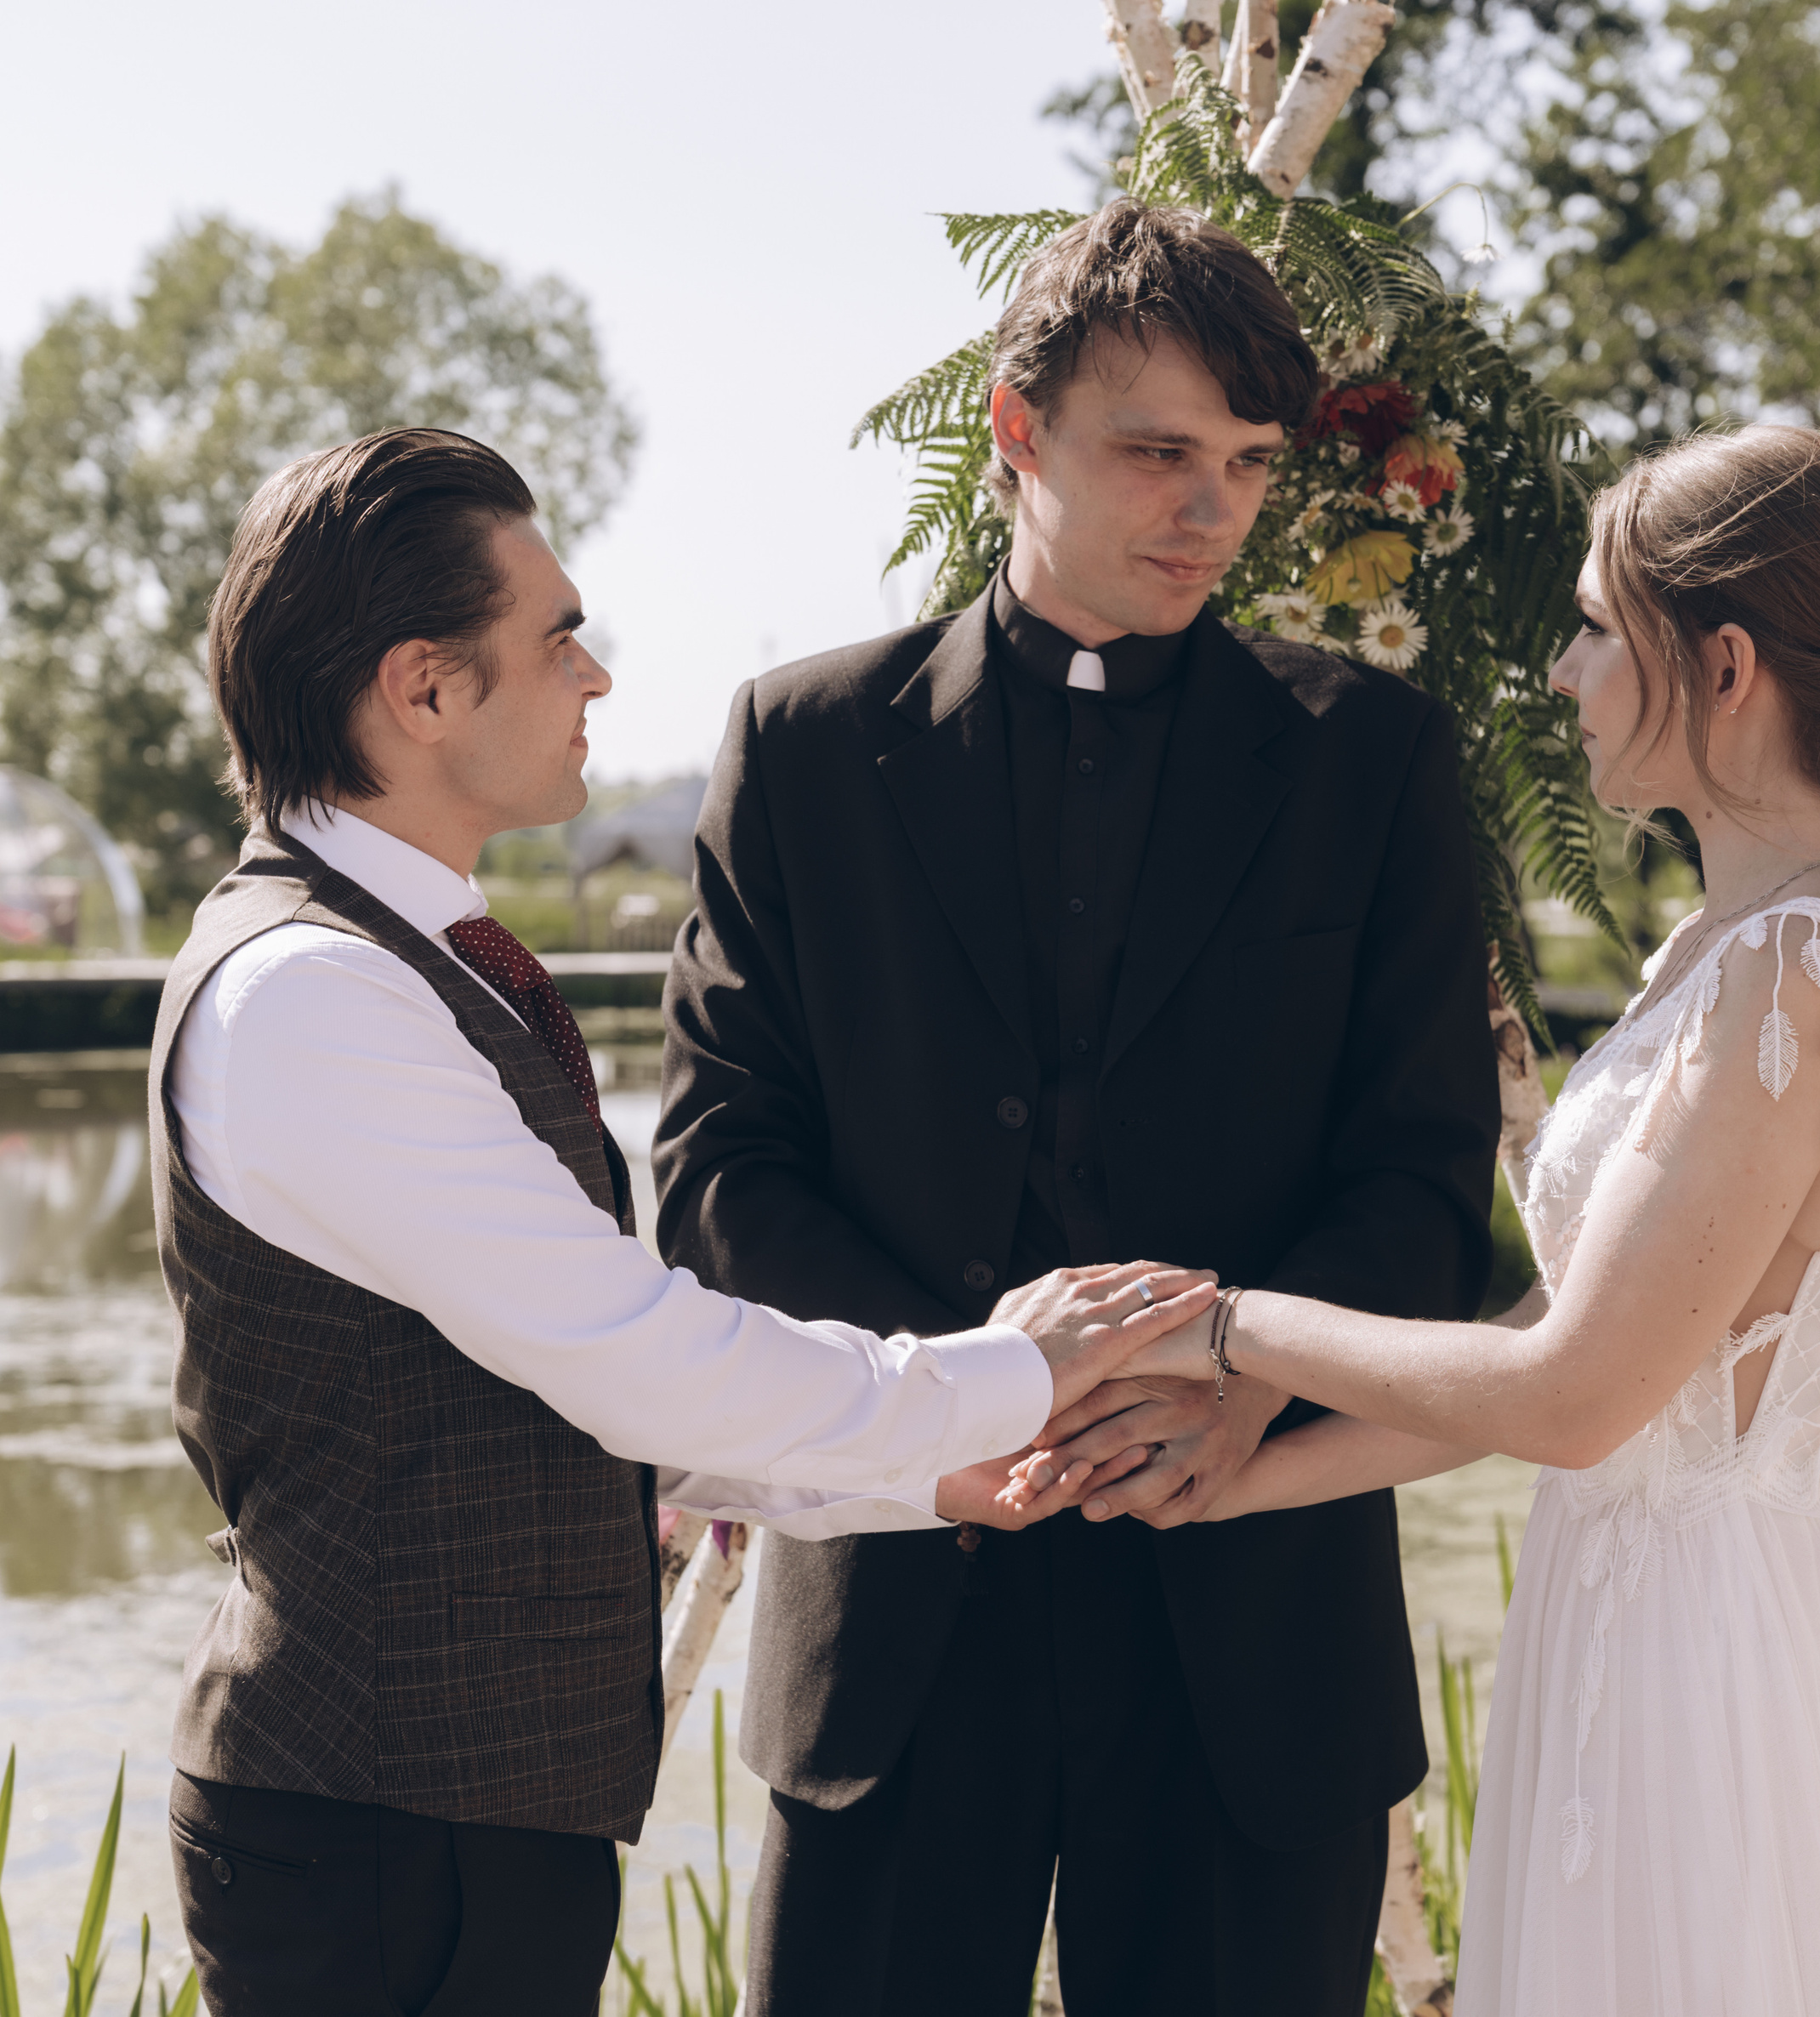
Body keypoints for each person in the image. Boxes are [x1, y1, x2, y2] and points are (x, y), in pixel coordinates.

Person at [1034, 425, 1820, 2014]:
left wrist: (1220, 1323)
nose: (1563, 672)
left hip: (1720, 1679)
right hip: (1660, 1607)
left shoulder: (1803, 969)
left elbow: (1571, 1398)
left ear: (1726, 663)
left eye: (1598, 628)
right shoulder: (1725, 944)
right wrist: (1237, 1482)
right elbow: (1602, 1377)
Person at [151, 427, 1207, 2017]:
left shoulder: (400, 960)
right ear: (422, 690)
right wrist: (1014, 1369)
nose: (598, 677)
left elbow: (554, 1392)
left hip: (452, 1818)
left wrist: (922, 1474)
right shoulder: (318, 993)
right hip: (378, 1831)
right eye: (556, 633)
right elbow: (628, 1356)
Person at [653, 198, 1501, 2016]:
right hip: (895, 1604)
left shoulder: (1372, 762)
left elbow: (1425, 1185)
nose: (1212, 510)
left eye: (1250, 465)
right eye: (1157, 453)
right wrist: (956, 1391)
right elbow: (718, 1166)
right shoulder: (798, 747)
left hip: (1252, 1604)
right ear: (1017, 430)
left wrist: (1253, 1376)